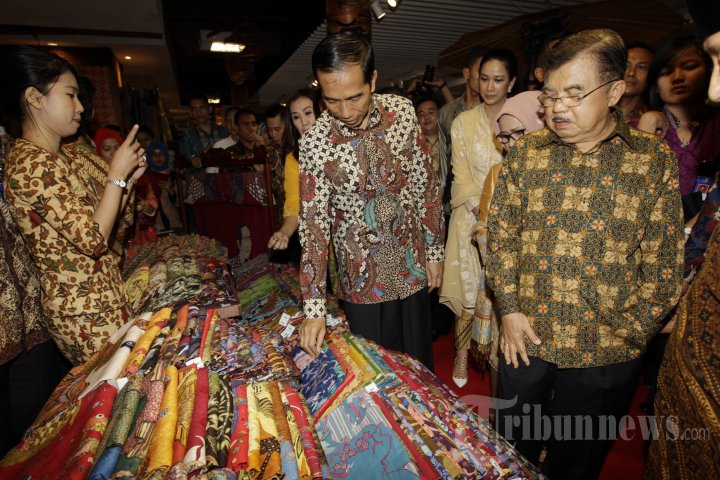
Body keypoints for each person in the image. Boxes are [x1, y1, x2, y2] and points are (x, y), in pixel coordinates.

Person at [486, 29, 684, 479]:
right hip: (526, 336)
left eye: (574, 95)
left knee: (577, 460)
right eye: (550, 95)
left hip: (606, 349)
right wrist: (509, 309)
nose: (558, 108)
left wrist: (631, 334)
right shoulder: (526, 154)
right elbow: (501, 237)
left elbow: (665, 263)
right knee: (510, 451)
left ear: (614, 91)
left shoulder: (651, 160)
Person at [298, 32, 444, 369]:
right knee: (378, 372)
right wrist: (314, 308)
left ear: (373, 79)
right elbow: (313, 226)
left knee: (419, 365)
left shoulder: (402, 112)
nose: (345, 111)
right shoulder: (315, 143)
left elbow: (425, 183)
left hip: (411, 262)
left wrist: (435, 250)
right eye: (332, 101)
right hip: (361, 277)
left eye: (355, 97)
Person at [0, 46, 147, 365]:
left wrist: (127, 181)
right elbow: (93, 239)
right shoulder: (31, 164)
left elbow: (105, 223)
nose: (80, 107)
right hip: (82, 310)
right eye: (70, 95)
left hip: (102, 296)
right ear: (34, 98)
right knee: (118, 384)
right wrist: (116, 175)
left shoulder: (60, 157)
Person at [440, 48, 516, 388]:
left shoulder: (522, 120)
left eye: (498, 80)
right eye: (484, 79)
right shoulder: (463, 122)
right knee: (469, 291)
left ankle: (500, 356)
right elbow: (461, 176)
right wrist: (484, 213)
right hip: (470, 221)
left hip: (513, 224)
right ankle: (461, 354)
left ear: (511, 83)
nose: (489, 86)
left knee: (503, 295)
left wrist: (504, 219)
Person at [638, 36, 720, 221]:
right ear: (655, 84)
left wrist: (696, 225)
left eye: (689, 67)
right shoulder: (636, 128)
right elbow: (629, 196)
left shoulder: (716, 123)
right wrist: (644, 135)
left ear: (709, 72)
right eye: (666, 72)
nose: (677, 78)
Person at [267, 89, 320, 252]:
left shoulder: (345, 145)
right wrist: (284, 232)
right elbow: (293, 202)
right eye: (296, 117)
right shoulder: (294, 158)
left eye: (308, 113)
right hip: (317, 236)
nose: (303, 122)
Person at [179, 93, 228, 165]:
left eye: (201, 108)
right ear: (190, 113)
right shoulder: (188, 134)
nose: (198, 112)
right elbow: (185, 155)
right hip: (201, 171)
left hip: (224, 170)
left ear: (210, 109)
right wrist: (196, 158)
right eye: (194, 109)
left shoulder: (223, 130)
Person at [617, 42, 654, 126]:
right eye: (626, 65)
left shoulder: (652, 121)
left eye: (641, 67)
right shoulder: (595, 108)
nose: (631, 73)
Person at [414, 96, 442, 176]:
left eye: (431, 112)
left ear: (440, 114)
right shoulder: (412, 144)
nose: (426, 117)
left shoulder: (449, 141)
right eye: (421, 114)